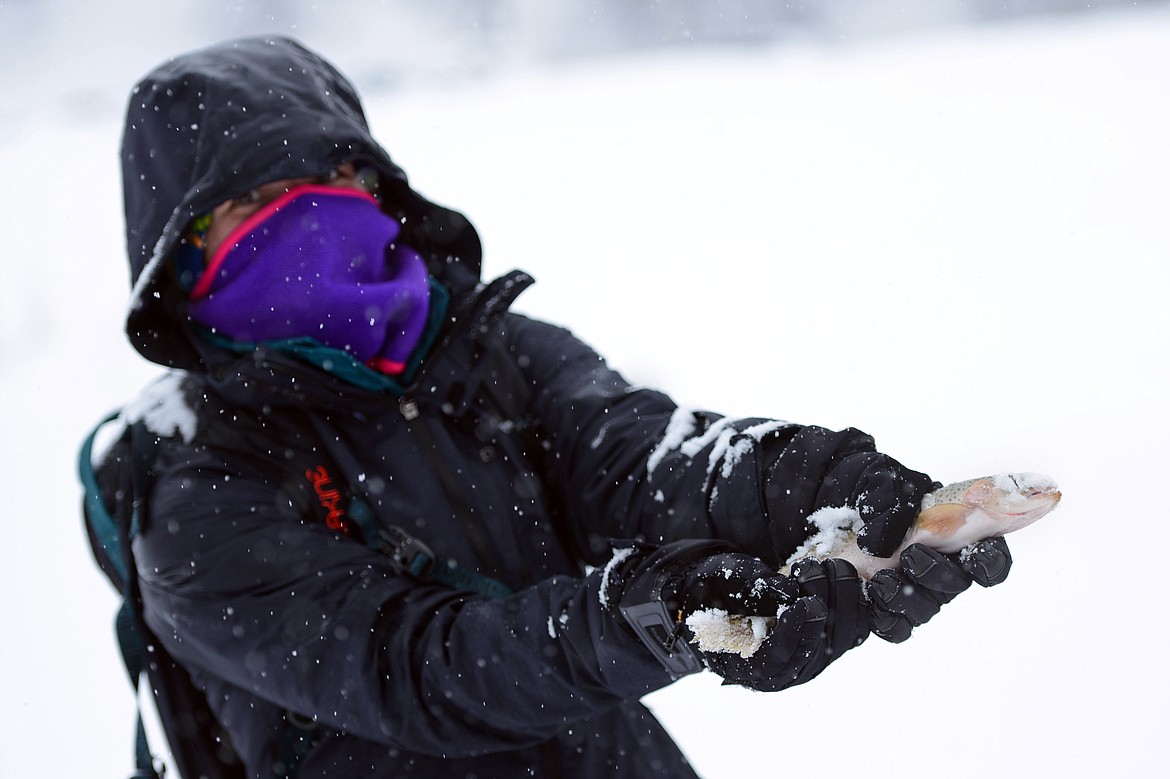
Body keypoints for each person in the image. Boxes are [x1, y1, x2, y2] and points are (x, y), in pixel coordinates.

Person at [86, 36, 1012, 779]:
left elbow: (641, 458)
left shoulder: (492, 348)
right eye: (255, 199)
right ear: (178, 261)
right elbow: (419, 667)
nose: (314, 216)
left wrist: (802, 481)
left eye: (334, 176)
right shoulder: (192, 490)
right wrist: (652, 615)